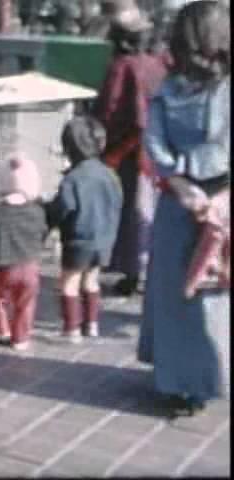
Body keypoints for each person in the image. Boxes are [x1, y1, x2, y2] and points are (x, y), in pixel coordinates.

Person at [138, 0, 230, 416]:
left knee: (202, 293)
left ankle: (194, 381)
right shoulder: (170, 88)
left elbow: (155, 142)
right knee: (185, 294)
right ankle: (184, 381)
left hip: (212, 200)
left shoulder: (171, 87)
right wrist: (182, 185)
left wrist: (204, 192)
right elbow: (154, 140)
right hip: (189, 200)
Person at [93, 6, 169, 296]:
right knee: (149, 210)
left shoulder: (122, 67)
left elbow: (109, 110)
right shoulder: (158, 65)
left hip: (127, 150)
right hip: (156, 151)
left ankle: (131, 271)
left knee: (130, 212)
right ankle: (147, 270)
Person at [46, 116, 123, 342]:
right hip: (105, 239)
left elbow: (63, 207)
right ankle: (92, 324)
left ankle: (71, 329)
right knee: (92, 280)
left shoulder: (73, 178)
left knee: (69, 282)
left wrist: (49, 220)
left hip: (78, 240)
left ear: (68, 147)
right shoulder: (110, 174)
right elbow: (118, 201)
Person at [0, 154, 47, 350]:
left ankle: (0, 328)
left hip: (4, 266)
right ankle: (20, 338)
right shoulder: (37, 212)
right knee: (25, 303)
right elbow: (43, 232)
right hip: (30, 267)